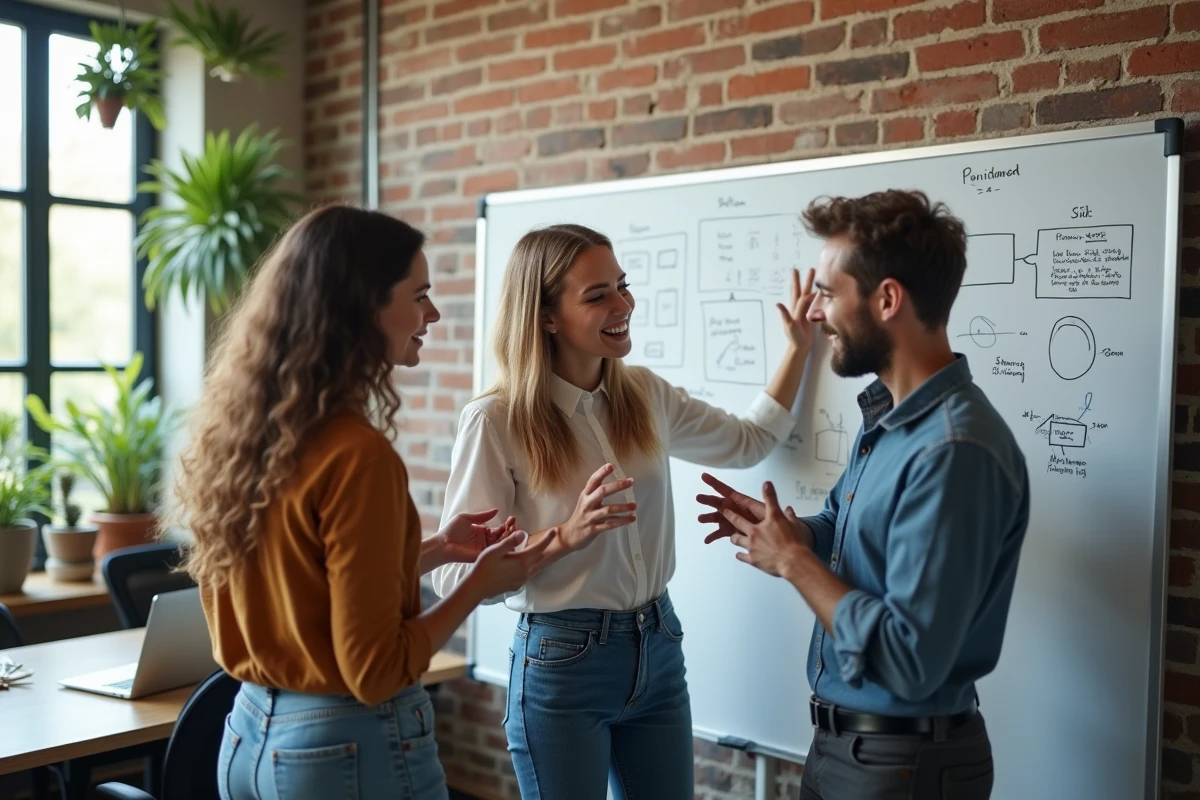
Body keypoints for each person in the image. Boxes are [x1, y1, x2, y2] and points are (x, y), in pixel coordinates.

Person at [170, 204, 556, 800]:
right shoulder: (359, 455)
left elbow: (304, 581)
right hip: (342, 750)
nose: (432, 314)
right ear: (363, 306)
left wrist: (432, 551)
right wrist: (477, 583)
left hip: (248, 739)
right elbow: (374, 673)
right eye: (419, 294)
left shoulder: (247, 436)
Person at [431, 223, 816, 800]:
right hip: (562, 662)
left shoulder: (645, 394)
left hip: (658, 643)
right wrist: (564, 537)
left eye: (622, 285)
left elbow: (749, 441)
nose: (624, 304)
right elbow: (454, 578)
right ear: (546, 317)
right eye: (598, 295)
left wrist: (799, 349)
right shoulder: (496, 420)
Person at [699, 190, 1029, 800]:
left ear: (886, 300)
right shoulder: (890, 418)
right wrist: (798, 535)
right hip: (850, 750)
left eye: (827, 292)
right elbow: (855, 531)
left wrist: (795, 564)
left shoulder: (954, 450)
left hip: (902, 765)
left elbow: (908, 659)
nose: (815, 313)